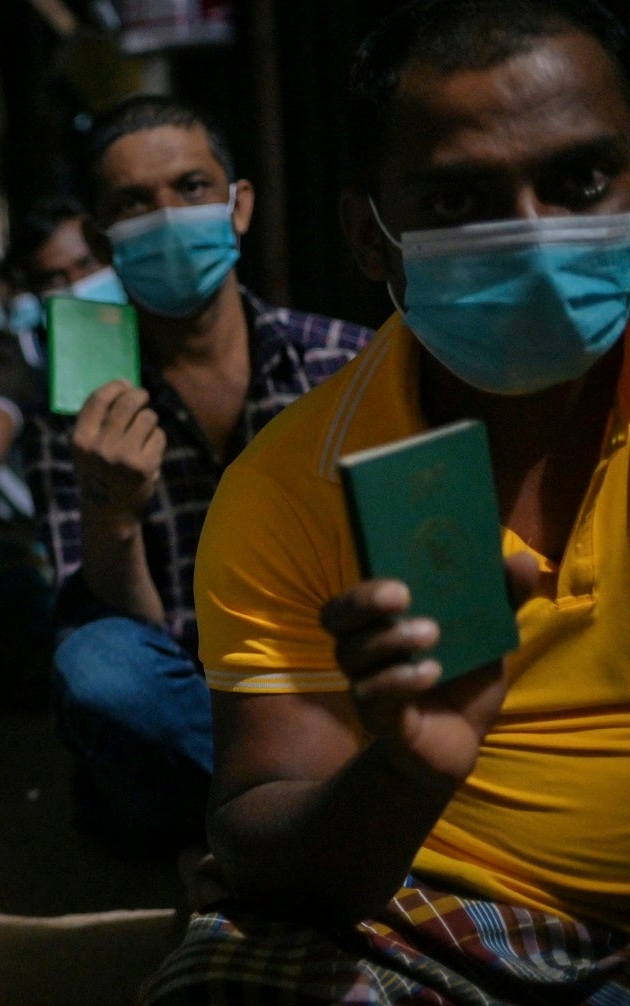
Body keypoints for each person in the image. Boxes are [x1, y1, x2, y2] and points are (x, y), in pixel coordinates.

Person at [145, 1, 630, 1001]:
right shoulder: (290, 485)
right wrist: (406, 768)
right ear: (370, 236)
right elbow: (266, 830)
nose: (536, 241)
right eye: (460, 202)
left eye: (580, 180)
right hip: (441, 908)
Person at [28, 95, 370, 853]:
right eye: (132, 203)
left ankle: (251, 820)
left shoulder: (346, 364)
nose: (168, 217)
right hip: (192, 700)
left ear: (237, 205)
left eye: (190, 188)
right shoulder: (76, 404)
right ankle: (311, 812)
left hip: (323, 691)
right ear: (101, 238)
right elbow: (123, 630)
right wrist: (114, 511)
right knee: (99, 668)